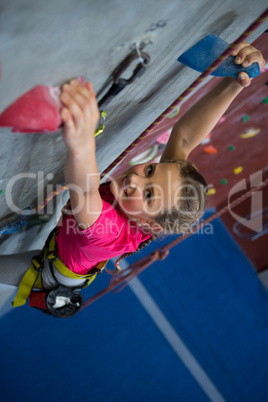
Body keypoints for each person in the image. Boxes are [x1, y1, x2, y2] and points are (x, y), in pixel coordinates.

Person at [0, 41, 265, 311]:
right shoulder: (160, 203)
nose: (137, 180)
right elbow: (184, 139)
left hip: (50, 273)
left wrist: (82, 144)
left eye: (148, 195)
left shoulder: (110, 232)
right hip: (67, 241)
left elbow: (85, 191)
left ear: (152, 225)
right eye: (150, 170)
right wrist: (236, 84)